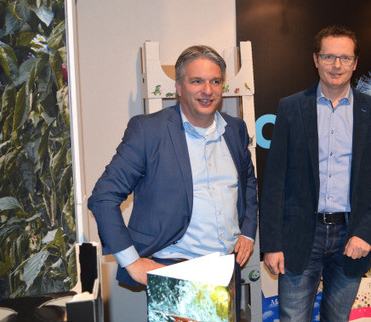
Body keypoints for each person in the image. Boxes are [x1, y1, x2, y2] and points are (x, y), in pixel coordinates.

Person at [260, 25, 371, 322]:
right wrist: (272, 243)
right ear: (316, 59)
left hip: (352, 236)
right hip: (300, 236)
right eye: (328, 56)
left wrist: (367, 233)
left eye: (345, 58)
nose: (336, 65)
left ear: (356, 63)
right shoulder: (291, 108)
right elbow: (275, 180)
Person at [88, 45, 258, 287]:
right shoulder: (149, 131)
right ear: (179, 87)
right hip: (175, 272)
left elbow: (247, 181)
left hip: (228, 269)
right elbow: (103, 197)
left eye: (215, 81)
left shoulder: (235, 129)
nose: (207, 90)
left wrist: (247, 231)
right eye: (197, 81)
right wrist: (132, 262)